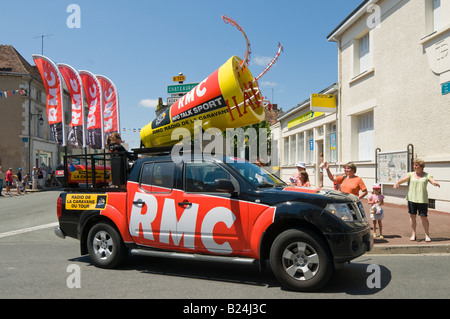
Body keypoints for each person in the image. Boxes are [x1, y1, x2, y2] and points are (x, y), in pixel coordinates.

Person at [394, 159, 440, 242]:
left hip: (422, 199)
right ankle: (413, 234)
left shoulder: (427, 175)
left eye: (416, 165)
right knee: (412, 216)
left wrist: (435, 183)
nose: (414, 166)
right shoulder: (411, 174)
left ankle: (427, 235)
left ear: (421, 167)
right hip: (412, 198)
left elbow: (432, 180)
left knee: (424, 217)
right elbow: (404, 179)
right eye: (414, 165)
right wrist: (398, 183)